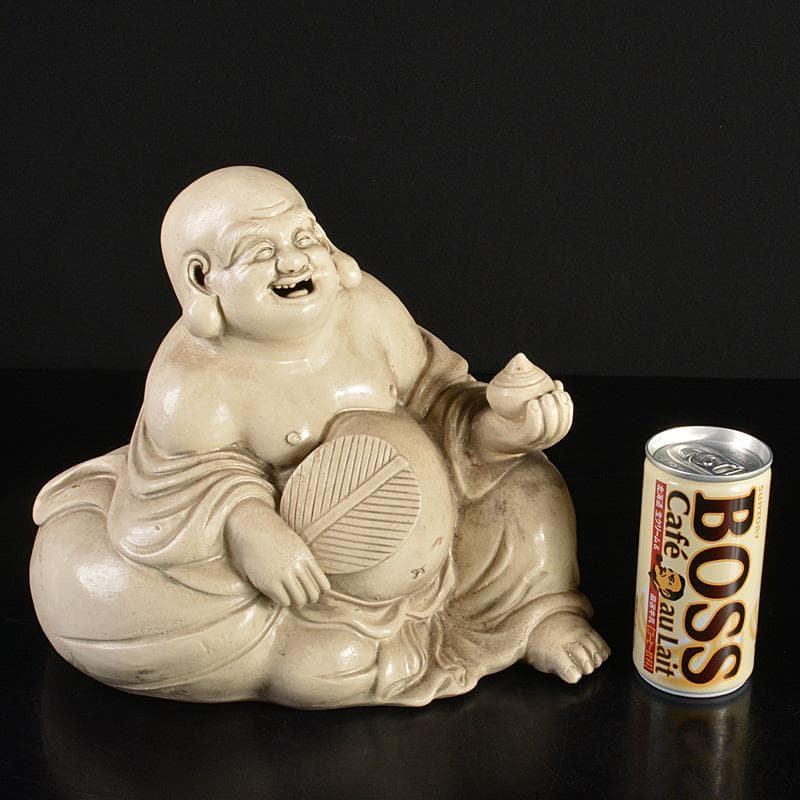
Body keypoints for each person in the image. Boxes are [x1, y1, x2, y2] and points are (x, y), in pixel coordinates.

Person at [30, 167, 609, 707]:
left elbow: (435, 401)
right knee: (92, 593)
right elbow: (183, 485)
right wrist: (251, 529)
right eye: (261, 251)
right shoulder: (193, 378)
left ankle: (534, 616)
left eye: (303, 237)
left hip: (440, 541)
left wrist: (501, 429)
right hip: (312, 580)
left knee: (529, 485)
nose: (292, 261)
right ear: (203, 279)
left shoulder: (368, 310)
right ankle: (335, 648)